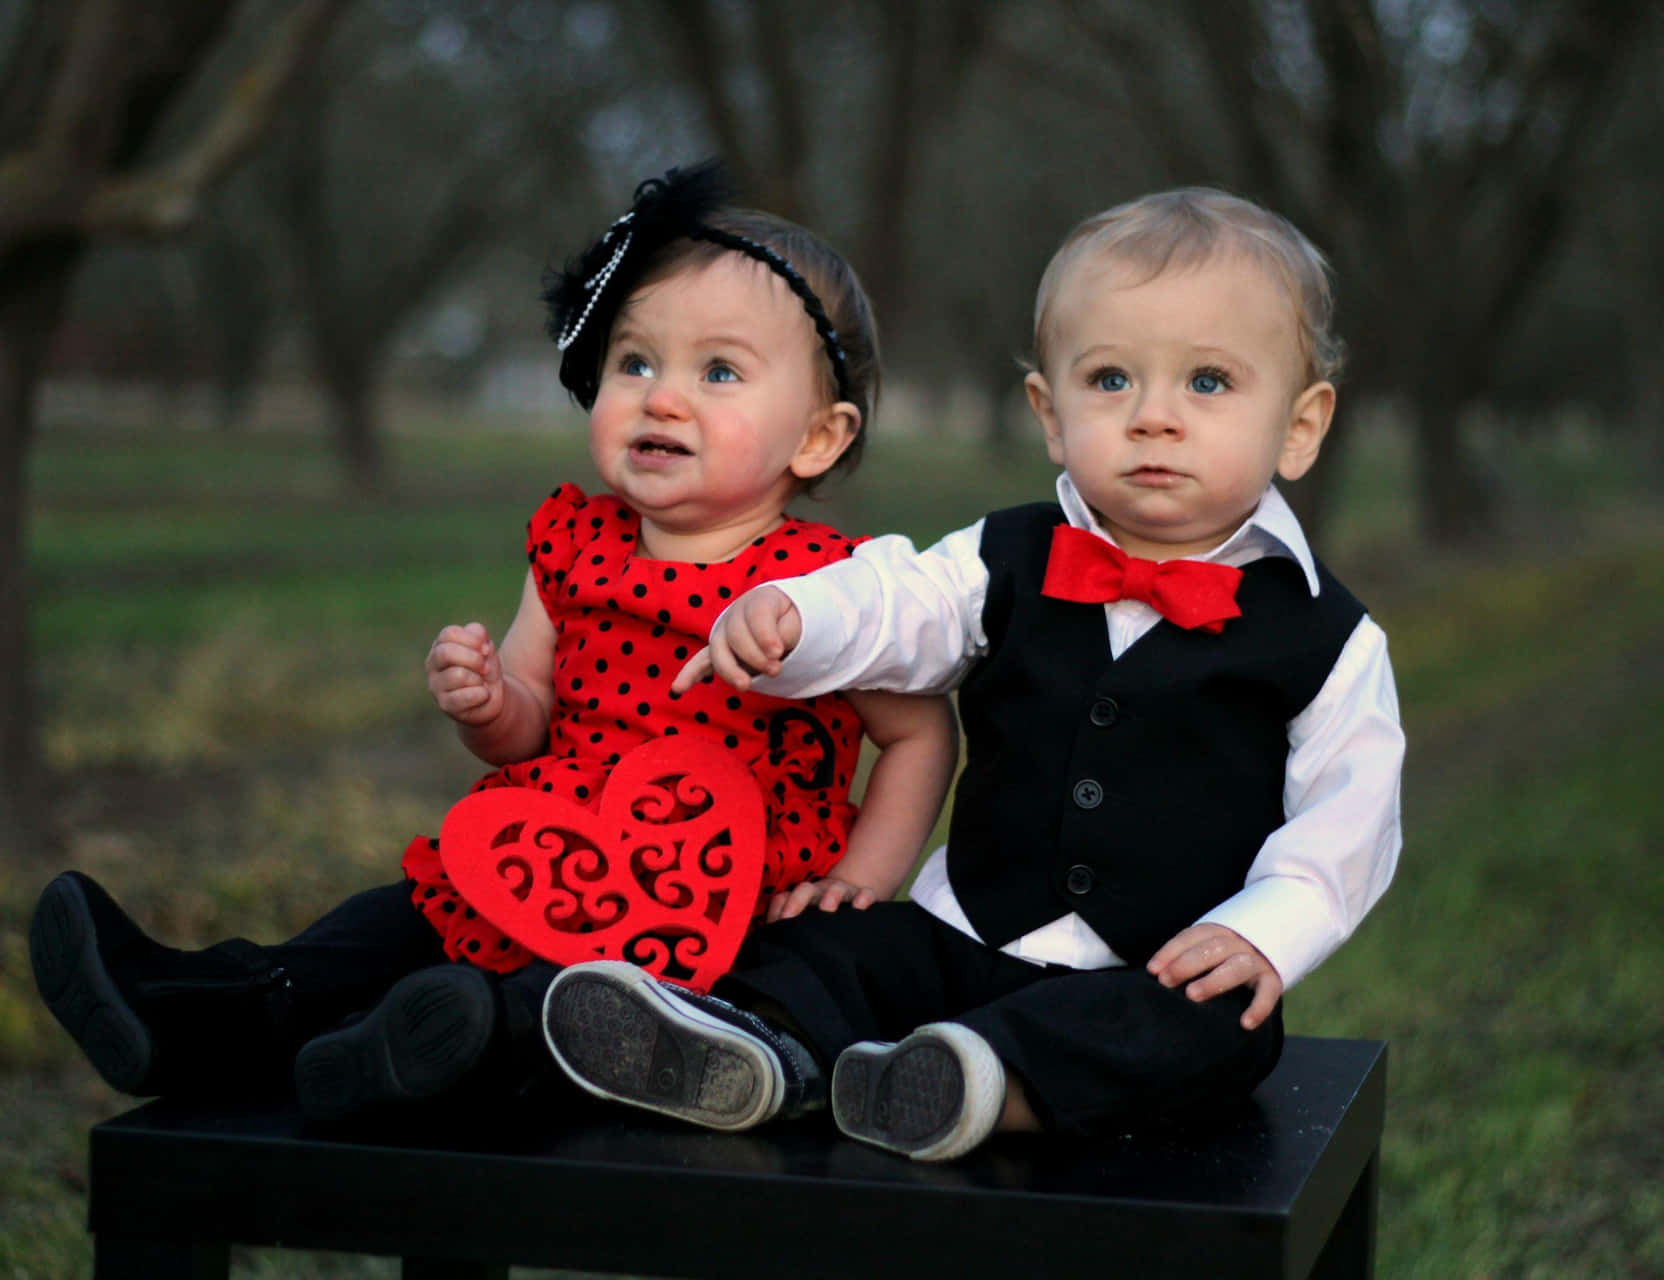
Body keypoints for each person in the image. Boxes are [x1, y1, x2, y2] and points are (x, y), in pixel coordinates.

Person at [28, 163, 957, 1119]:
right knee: (386, 925)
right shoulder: (573, 545)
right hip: (544, 854)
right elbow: (528, 719)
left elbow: (919, 732)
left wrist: (863, 875)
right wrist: (488, 701)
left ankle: (441, 1053)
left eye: (717, 372)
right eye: (635, 362)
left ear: (817, 438)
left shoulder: (832, 591)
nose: (662, 398)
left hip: (719, 905)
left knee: (569, 1003)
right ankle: (205, 1011)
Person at [541, 187, 1404, 1160]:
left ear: (1300, 424)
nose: (1154, 418)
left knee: (1214, 1034)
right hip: (963, 934)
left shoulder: (1329, 637)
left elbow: (1352, 815)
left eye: (1208, 383)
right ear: (1048, 411)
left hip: (1150, 965)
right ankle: (750, 1050)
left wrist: (1265, 930)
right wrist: (799, 614)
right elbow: (895, 602)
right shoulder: (1005, 555)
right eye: (1111, 379)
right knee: (831, 938)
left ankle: (973, 1087)